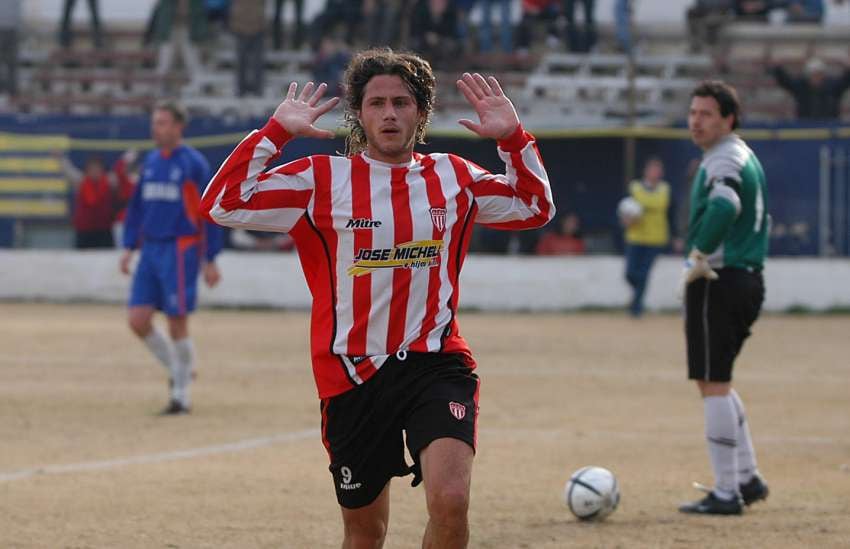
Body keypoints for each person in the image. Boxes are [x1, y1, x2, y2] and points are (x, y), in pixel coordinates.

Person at [200, 48, 554, 548]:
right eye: (377, 103)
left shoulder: (454, 177)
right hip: (351, 375)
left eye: (402, 102)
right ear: (359, 113)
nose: (389, 114)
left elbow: (535, 207)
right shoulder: (321, 181)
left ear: (421, 112)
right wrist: (275, 133)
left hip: (436, 363)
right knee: (366, 532)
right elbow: (221, 204)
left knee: (451, 502)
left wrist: (514, 140)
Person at [678, 80, 770, 515]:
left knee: (712, 384)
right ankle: (747, 478)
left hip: (720, 278)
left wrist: (699, 252)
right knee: (720, 381)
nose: (696, 120)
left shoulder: (724, 158)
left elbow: (726, 203)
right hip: (743, 278)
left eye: (706, 114)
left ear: (728, 119)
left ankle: (727, 490)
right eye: (693, 112)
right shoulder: (741, 153)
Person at [120, 100, 224, 415]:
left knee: (177, 320)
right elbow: (137, 208)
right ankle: (180, 368)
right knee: (138, 320)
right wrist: (128, 247)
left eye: (163, 122)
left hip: (180, 249)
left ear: (179, 126)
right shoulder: (151, 161)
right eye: (155, 122)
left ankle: (181, 394)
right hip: (150, 248)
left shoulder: (193, 164)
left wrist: (210, 258)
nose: (156, 128)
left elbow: (208, 212)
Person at [621, 156, 671, 317]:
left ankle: (636, 309)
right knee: (630, 273)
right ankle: (636, 297)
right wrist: (626, 219)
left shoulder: (665, 189)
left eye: (657, 170)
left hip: (655, 238)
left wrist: (675, 235)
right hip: (635, 236)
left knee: (643, 273)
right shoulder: (634, 187)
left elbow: (670, 213)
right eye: (652, 169)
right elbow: (625, 208)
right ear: (646, 171)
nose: (654, 173)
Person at [58, 153, 123, 249]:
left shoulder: (109, 182)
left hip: (104, 231)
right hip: (84, 232)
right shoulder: (81, 182)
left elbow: (121, 175)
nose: (95, 172)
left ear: (102, 170)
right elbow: (69, 172)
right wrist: (61, 159)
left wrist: (124, 161)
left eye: (97, 169)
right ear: (87, 171)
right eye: (92, 169)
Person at [769, 57, 850, 121]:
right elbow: (786, 82)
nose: (816, 77)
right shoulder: (801, 87)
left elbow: (845, 82)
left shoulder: (833, 88)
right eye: (813, 74)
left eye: (819, 74)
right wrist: (778, 68)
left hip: (830, 127)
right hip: (806, 128)